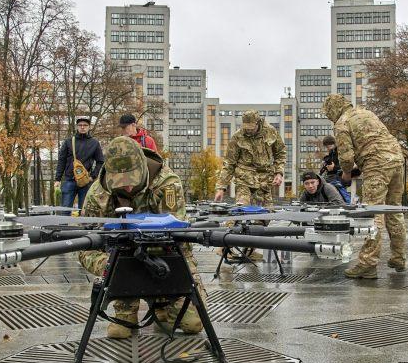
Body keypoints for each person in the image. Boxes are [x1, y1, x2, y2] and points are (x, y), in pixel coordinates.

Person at [78, 136, 205, 338]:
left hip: (164, 257)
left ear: (143, 169)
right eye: (121, 182)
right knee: (120, 331)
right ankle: (126, 310)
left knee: (192, 324)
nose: (127, 188)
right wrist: (109, 265)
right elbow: (86, 246)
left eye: (132, 180)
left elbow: (179, 241)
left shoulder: (165, 183)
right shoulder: (97, 193)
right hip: (121, 261)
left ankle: (161, 300)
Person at [323, 94, 406, 276]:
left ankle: (368, 264)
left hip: (376, 164)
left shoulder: (342, 122)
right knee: (394, 210)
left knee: (373, 213)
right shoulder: (366, 113)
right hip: (397, 160)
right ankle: (398, 256)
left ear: (333, 110)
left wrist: (345, 173)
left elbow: (345, 156)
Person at [214, 110, 286, 206]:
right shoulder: (237, 137)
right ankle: (234, 220)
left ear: (258, 122)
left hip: (264, 180)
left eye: (251, 128)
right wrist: (221, 188)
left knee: (265, 215)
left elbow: (280, 153)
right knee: (242, 207)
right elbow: (229, 163)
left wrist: (279, 173)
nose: (249, 130)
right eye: (246, 127)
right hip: (244, 179)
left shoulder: (270, 132)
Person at [54, 116, 104, 212]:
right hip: (69, 179)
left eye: (85, 125)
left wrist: (93, 176)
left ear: (89, 127)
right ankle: (62, 227)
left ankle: (85, 227)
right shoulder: (68, 142)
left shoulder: (94, 143)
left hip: (85, 181)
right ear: (77, 127)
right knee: (65, 209)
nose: (82, 127)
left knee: (84, 210)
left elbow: (100, 161)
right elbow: (62, 160)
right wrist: (57, 179)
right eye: (80, 125)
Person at [320, 135, 350, 204]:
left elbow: (346, 165)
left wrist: (334, 168)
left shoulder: (340, 151)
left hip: (338, 177)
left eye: (329, 146)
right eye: (326, 147)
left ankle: (348, 203)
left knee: (341, 192)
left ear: (333, 143)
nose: (328, 148)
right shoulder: (331, 153)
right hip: (332, 176)